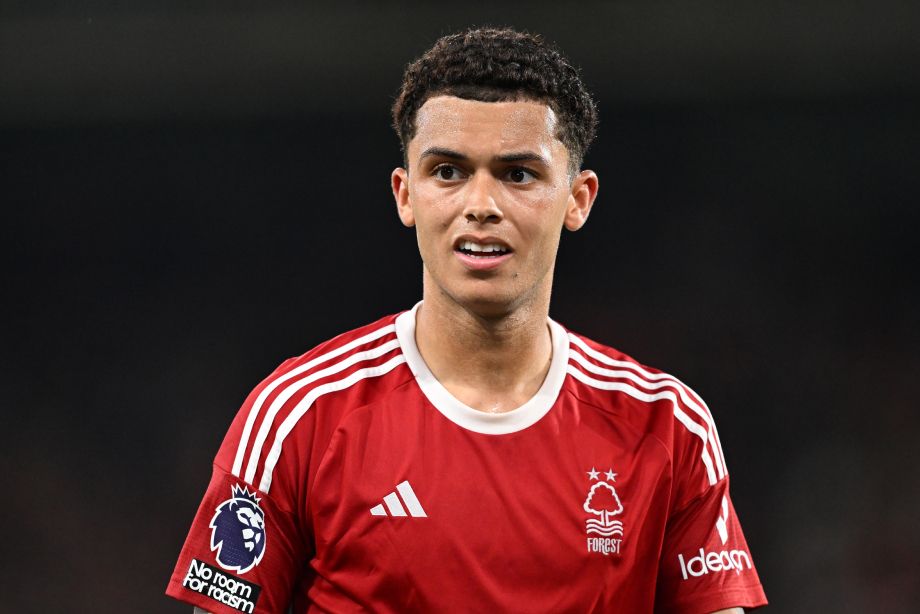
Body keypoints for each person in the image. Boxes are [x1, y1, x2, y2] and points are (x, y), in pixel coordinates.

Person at [166, 27, 767, 613]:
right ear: (405, 194)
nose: (481, 205)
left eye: (518, 174)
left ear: (577, 198)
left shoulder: (667, 426)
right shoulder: (299, 415)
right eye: (448, 172)